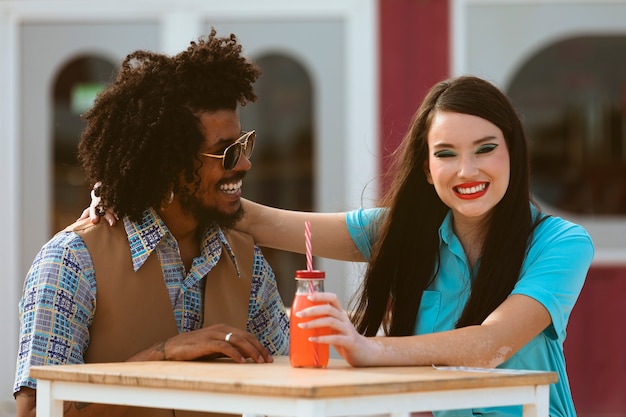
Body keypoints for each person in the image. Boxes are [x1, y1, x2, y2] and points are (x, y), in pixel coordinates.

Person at [84, 75, 594, 417]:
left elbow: (491, 345)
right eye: (446, 154)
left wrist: (368, 349)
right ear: (426, 168)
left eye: (486, 149)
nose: (467, 171)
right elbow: (265, 222)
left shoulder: (560, 243)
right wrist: (144, 189)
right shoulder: (401, 231)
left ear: (514, 153)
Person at [14, 30, 289, 417]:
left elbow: (293, 387)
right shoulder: (70, 263)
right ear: (170, 163)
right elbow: (34, 412)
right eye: (226, 152)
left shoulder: (247, 262)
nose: (244, 163)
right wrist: (162, 357)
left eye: (243, 144)